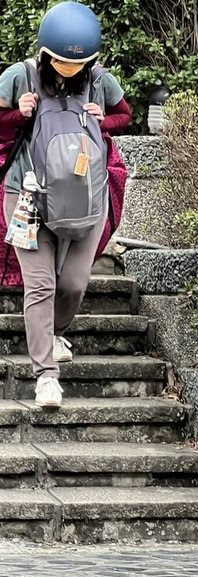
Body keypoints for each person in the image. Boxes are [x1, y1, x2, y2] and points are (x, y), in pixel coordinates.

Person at [0, 1, 131, 408]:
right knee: (40, 283)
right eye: (61, 63)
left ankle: (54, 330)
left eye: (79, 64)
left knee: (73, 283)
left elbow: (125, 115)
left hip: (85, 196)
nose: (70, 71)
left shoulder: (101, 80)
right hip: (27, 195)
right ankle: (46, 376)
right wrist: (18, 116)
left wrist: (101, 119)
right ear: (46, 53)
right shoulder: (18, 76)